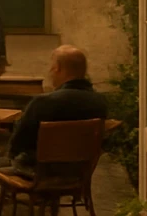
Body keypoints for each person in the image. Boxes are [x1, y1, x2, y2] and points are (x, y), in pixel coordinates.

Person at [6, 45, 108, 173]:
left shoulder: (43, 102)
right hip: (78, 172)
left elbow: (18, 143)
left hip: (40, 172)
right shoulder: (100, 102)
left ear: (58, 68)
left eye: (52, 67)